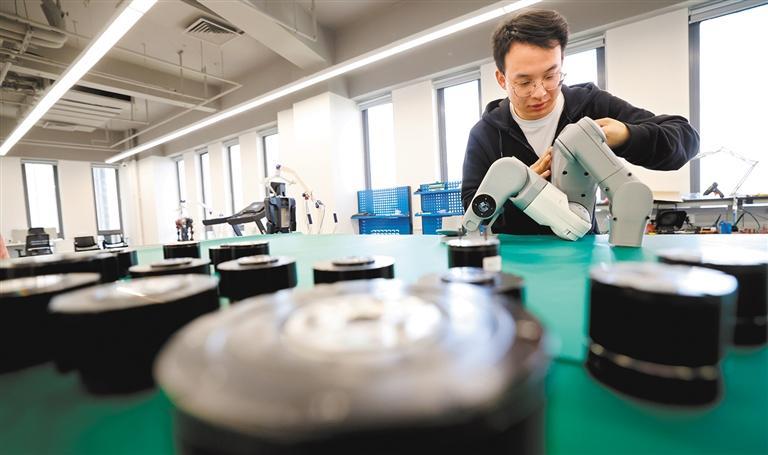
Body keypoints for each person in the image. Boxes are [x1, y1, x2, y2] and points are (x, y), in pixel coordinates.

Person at [462, 9, 699, 235]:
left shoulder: (591, 107)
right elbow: (474, 209)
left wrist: (627, 136)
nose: (540, 93)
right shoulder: (485, 134)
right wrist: (517, 192)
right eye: (524, 83)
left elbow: (685, 137)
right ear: (501, 79)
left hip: (584, 250)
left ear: (562, 62)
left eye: (550, 76)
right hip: (518, 254)